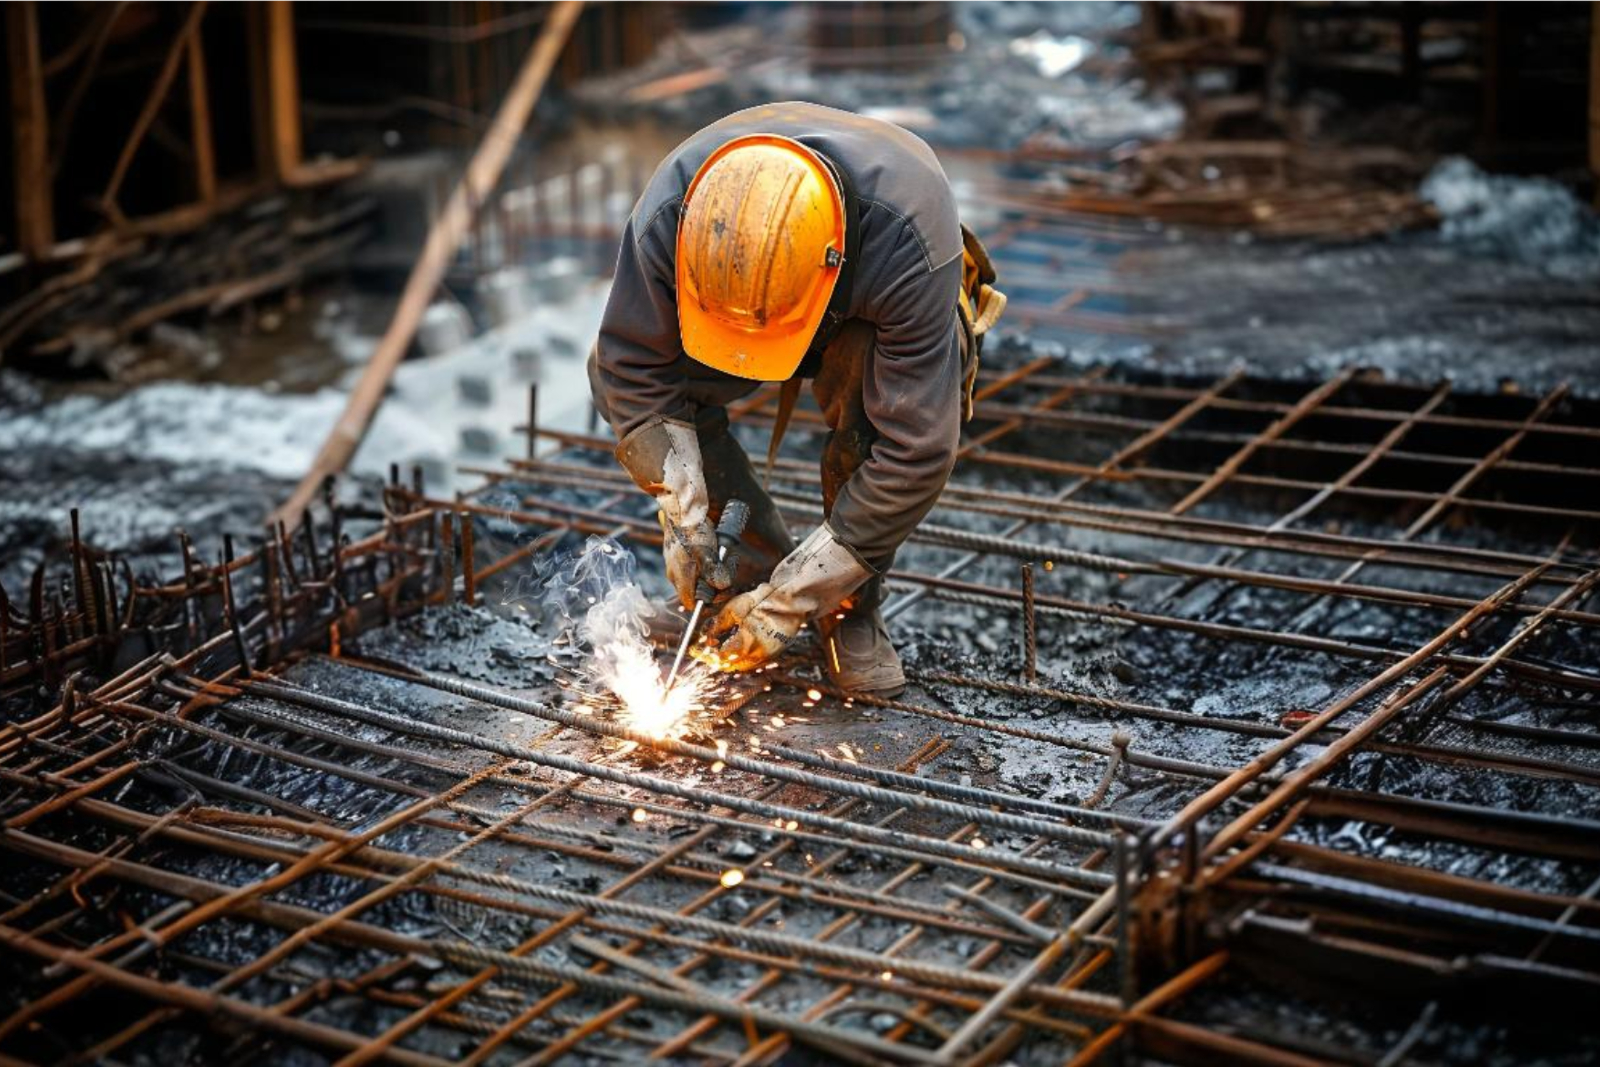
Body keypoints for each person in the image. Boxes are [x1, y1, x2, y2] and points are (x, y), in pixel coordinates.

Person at [588, 102, 1004, 695]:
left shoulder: (908, 241)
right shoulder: (670, 216)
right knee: (621, 379)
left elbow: (915, 453)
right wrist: (682, 512)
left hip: (864, 315)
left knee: (872, 390)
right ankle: (736, 577)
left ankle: (845, 609)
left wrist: (794, 602)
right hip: (751, 286)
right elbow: (630, 364)